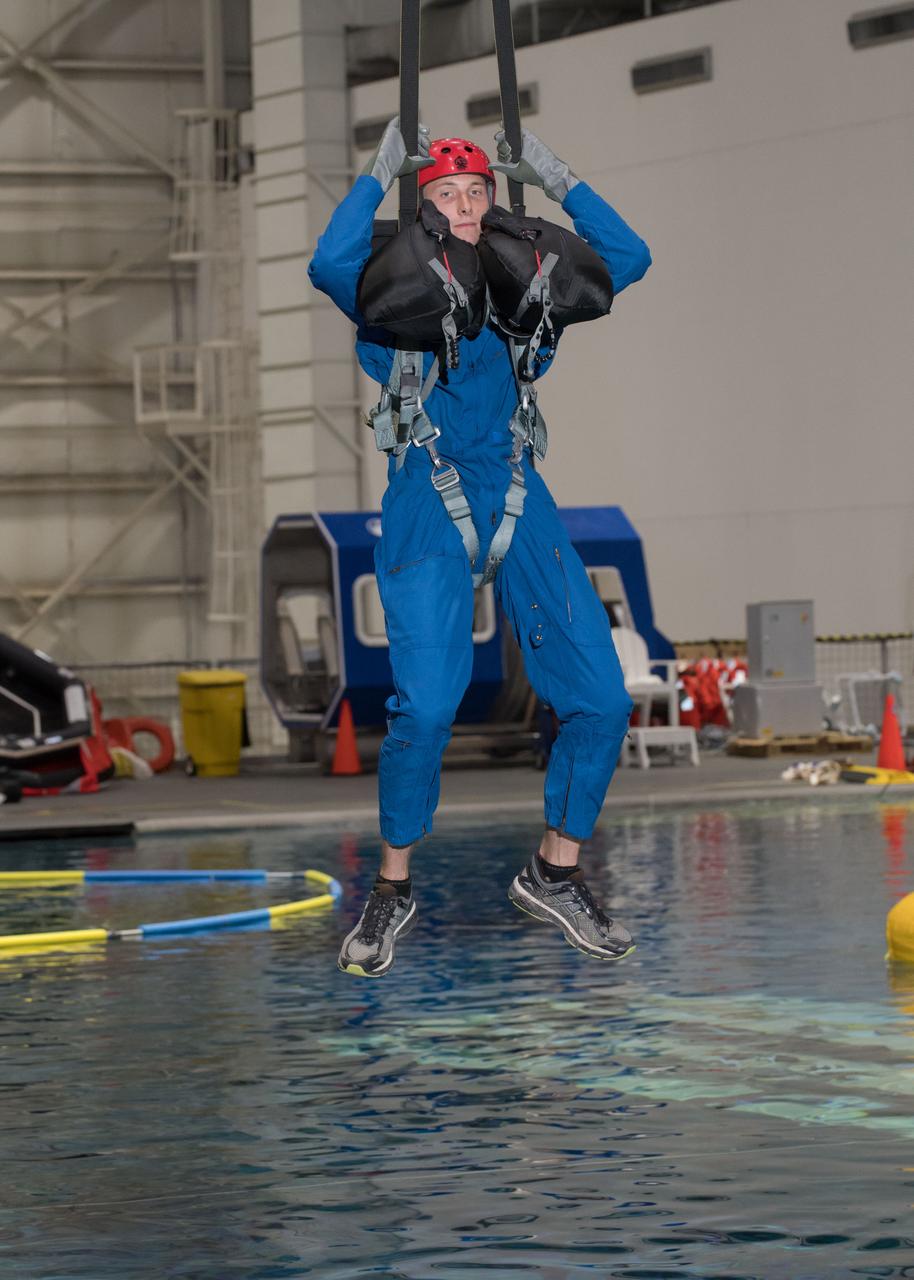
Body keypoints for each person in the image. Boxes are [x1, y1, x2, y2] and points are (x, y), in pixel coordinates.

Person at [308, 120, 651, 978]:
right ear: (421, 214)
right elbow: (327, 266)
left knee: (603, 701)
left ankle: (555, 873)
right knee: (425, 710)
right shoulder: (394, 297)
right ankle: (390, 889)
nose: (464, 207)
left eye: (475, 193)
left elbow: (631, 256)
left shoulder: (527, 286)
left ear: (493, 204)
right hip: (428, 497)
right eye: (445, 196)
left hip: (520, 493)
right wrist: (379, 171)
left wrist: (555, 172)